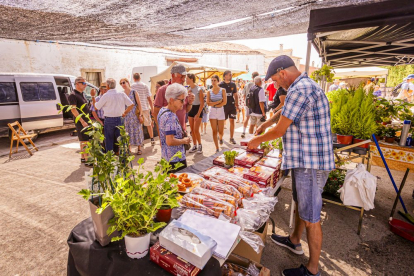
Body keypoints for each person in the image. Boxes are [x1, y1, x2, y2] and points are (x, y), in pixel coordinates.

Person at [248, 55, 334, 276]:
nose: (277, 84)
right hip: (305, 160)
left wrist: (255, 141)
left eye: (276, 80)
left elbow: (280, 130)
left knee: (311, 217)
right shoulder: (303, 86)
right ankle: (294, 240)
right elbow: (284, 114)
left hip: (309, 162)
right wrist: (265, 124)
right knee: (302, 205)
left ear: (283, 73)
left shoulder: (300, 89)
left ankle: (312, 270)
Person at [92, 78, 135, 153]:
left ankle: (110, 160)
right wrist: (125, 113)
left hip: (109, 120)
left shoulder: (106, 96)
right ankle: (123, 161)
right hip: (120, 119)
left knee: (109, 140)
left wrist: (93, 97)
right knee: (121, 141)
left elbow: (96, 107)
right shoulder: (121, 94)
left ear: (108, 86)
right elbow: (131, 104)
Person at [157, 83, 191, 173]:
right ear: (171, 100)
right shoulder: (170, 116)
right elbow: (170, 141)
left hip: (166, 158)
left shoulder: (162, 110)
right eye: (181, 100)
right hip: (175, 161)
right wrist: (184, 140)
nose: (183, 103)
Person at [154, 64, 195, 133]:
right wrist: (160, 133)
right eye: (181, 77)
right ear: (173, 75)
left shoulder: (184, 90)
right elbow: (156, 113)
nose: (183, 80)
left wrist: (190, 103)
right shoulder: (162, 90)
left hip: (181, 131)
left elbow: (185, 110)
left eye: (184, 77)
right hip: (168, 133)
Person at [69, 77, 93, 166]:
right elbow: (73, 110)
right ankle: (88, 160)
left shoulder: (81, 94)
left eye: (85, 83)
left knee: (83, 141)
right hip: (81, 121)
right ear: (77, 84)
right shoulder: (73, 95)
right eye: (83, 83)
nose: (85, 85)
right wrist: (82, 121)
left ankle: (83, 158)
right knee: (85, 141)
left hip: (85, 120)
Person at [120, 78, 144, 155]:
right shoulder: (122, 94)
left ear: (128, 82)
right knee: (127, 132)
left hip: (134, 115)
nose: (122, 84)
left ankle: (139, 148)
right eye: (121, 83)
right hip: (126, 116)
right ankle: (128, 149)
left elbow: (139, 105)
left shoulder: (134, 92)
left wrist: (141, 115)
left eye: (124, 82)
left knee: (137, 131)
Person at [131, 73, 156, 146]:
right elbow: (149, 99)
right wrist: (152, 108)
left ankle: (141, 141)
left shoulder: (132, 86)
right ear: (140, 78)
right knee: (148, 124)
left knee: (139, 125)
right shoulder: (145, 86)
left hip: (136, 109)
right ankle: (152, 139)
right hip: (145, 107)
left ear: (133, 78)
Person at [207, 75, 227, 152]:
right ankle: (217, 148)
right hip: (212, 111)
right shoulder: (209, 91)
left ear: (218, 81)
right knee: (214, 131)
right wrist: (218, 102)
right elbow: (208, 103)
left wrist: (214, 104)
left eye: (215, 80)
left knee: (221, 131)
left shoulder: (222, 90)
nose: (213, 82)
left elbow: (224, 102)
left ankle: (221, 138)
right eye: (212, 80)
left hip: (220, 111)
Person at [186, 73, 204, 153]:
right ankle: (194, 146)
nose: (186, 80)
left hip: (198, 109)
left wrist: (198, 114)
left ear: (191, 79)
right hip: (191, 109)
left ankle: (200, 145)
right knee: (192, 130)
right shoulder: (188, 89)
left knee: (196, 130)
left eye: (187, 78)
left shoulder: (199, 89)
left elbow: (202, 103)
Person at [219, 70, 238, 144]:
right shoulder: (221, 85)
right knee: (222, 122)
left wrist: (237, 104)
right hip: (223, 107)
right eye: (230, 75)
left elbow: (236, 95)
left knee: (232, 121)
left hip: (232, 106)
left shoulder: (233, 84)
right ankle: (220, 137)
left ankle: (231, 138)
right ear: (225, 76)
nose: (231, 76)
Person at [241, 72, 259, 138]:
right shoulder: (258, 85)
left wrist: (246, 103)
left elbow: (244, 95)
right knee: (256, 119)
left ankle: (243, 131)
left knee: (247, 117)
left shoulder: (247, 84)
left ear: (252, 77)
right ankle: (256, 133)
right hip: (256, 105)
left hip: (248, 104)